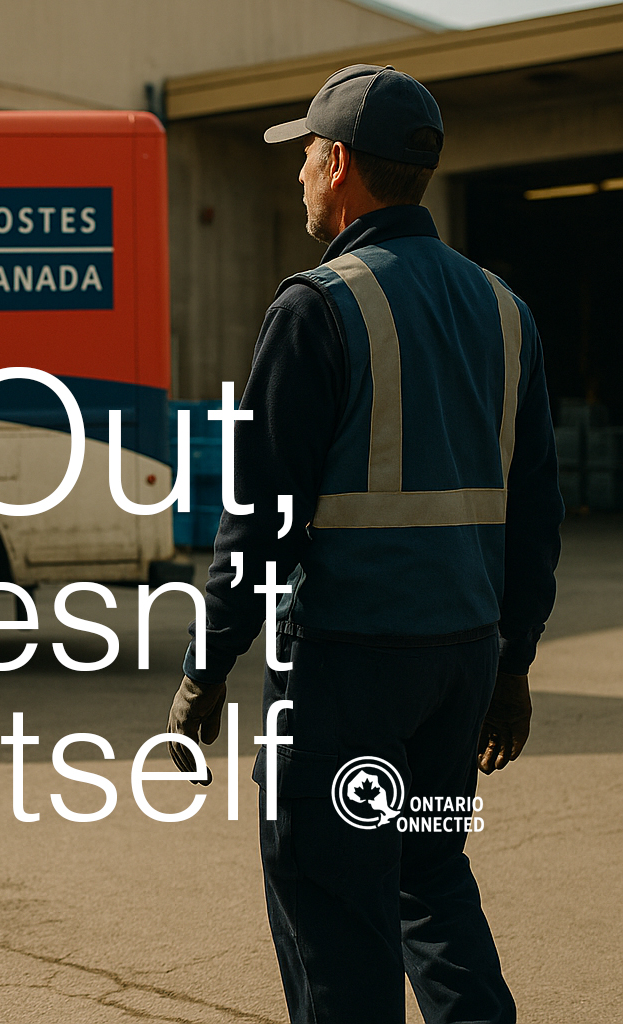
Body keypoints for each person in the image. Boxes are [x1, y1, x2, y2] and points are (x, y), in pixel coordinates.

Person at [163, 65, 563, 1024]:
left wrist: (203, 670)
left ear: (338, 164)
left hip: (349, 671)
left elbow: (259, 521)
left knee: (334, 910)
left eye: (305, 153)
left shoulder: (318, 307)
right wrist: (512, 665)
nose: (298, 172)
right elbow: (535, 510)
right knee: (431, 877)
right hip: (459, 663)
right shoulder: (505, 310)